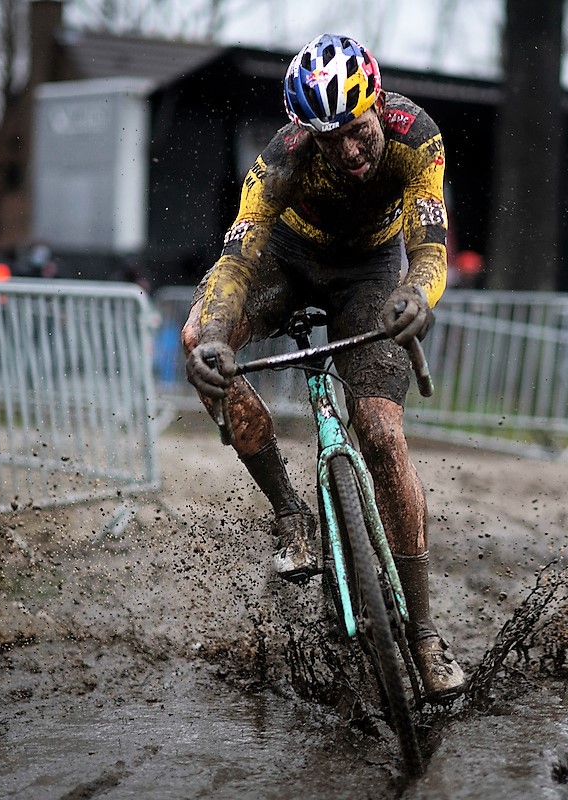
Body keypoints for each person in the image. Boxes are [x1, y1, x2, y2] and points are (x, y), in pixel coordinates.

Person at [182, 33, 465, 702]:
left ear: (376, 105)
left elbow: (430, 243)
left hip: (369, 276)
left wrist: (416, 296)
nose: (349, 149)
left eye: (357, 130)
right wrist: (217, 336)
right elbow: (238, 254)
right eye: (328, 137)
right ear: (303, 130)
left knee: (381, 432)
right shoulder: (281, 160)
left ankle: (423, 634)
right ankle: (289, 512)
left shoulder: (415, 136)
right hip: (289, 263)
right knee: (197, 333)